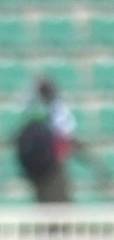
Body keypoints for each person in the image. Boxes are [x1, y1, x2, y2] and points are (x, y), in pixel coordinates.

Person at [15, 76, 108, 204]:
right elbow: (67, 135)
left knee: (47, 206)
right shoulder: (56, 109)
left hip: (38, 170)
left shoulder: (30, 108)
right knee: (59, 207)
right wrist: (95, 163)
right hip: (53, 167)